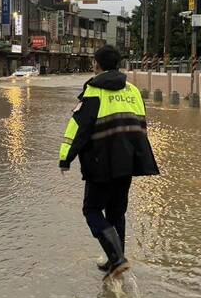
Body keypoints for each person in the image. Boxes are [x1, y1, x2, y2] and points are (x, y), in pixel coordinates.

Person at [59, 45, 159, 280]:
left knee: (92, 209)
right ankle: (116, 260)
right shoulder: (133, 90)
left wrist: (66, 158)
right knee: (116, 212)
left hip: (100, 162)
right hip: (128, 162)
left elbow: (79, 130)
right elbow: (141, 123)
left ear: (97, 64)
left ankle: (116, 258)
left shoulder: (93, 91)